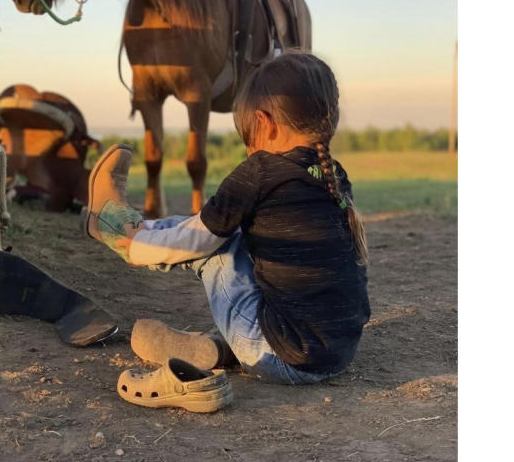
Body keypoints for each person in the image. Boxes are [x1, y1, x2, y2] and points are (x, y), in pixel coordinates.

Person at [83, 52, 370, 385]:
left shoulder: (260, 172)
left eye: (247, 135)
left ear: (265, 123)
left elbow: (198, 239)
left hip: (276, 355)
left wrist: (139, 250)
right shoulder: (332, 174)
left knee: (218, 245)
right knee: (237, 236)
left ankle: (117, 228)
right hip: (338, 356)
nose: (248, 146)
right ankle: (217, 349)